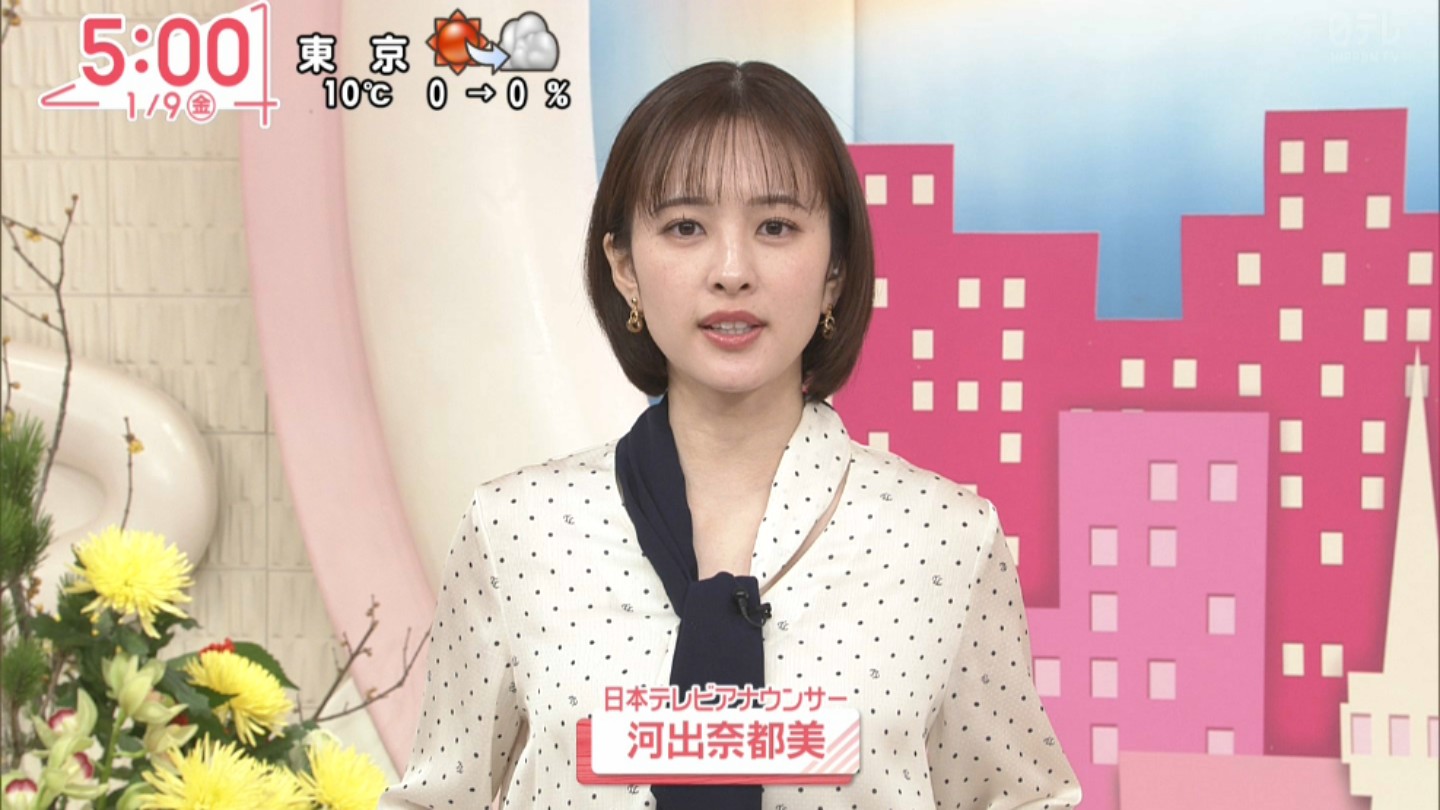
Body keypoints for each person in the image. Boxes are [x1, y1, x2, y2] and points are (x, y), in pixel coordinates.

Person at [380, 60, 1081, 809]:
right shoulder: (519, 530)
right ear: (624, 266)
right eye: (686, 227)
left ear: (835, 271)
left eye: (776, 227)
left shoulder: (945, 540)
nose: (732, 271)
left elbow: (1024, 800)